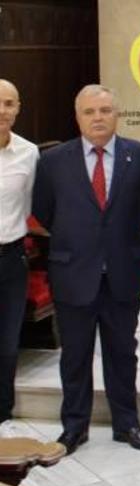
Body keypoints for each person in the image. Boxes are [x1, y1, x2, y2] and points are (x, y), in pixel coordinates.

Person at [32, 84, 140, 455]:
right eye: (90, 112)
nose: (98, 118)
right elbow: (45, 210)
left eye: (105, 110)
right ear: (78, 117)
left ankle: (127, 424)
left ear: (117, 114)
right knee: (75, 354)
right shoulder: (54, 161)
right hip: (73, 271)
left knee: (123, 351)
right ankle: (74, 427)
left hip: (123, 270)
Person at [0, 79, 38, 435]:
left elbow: (30, 205)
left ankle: (2, 411)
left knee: (8, 340)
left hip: (10, 256)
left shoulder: (29, 153)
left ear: (18, 108)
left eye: (9, 103)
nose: (2, 110)